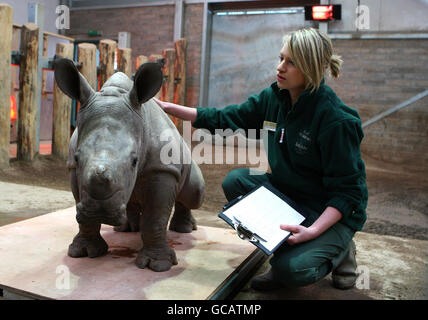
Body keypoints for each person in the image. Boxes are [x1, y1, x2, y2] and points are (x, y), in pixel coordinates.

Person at [154, 27, 368, 291]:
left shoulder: (336, 121)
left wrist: (312, 232)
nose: (280, 67)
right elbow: (227, 117)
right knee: (237, 180)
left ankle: (340, 248)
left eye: (291, 63)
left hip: (325, 208)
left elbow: (348, 193)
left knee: (292, 270)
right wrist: (171, 109)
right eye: (281, 58)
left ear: (311, 68)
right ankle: (286, 247)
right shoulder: (274, 98)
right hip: (292, 196)